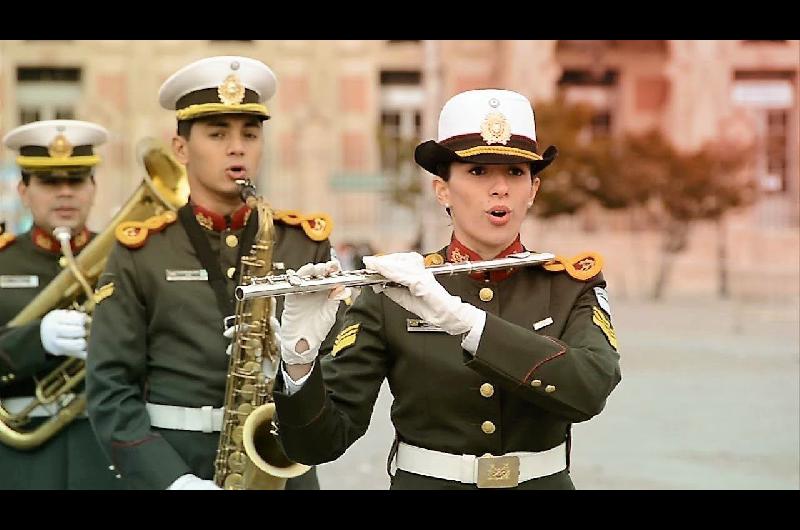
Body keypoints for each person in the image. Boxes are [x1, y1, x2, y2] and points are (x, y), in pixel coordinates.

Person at [272, 89, 622, 490]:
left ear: (533, 190)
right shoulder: (393, 293)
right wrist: (299, 360)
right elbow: (319, 443)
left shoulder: (568, 286)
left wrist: (468, 324)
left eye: (515, 173)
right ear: (442, 190)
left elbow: (591, 387)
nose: (499, 189)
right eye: (478, 172)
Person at [86, 56, 334, 490]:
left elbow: (338, 367)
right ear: (180, 148)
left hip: (280, 463)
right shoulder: (142, 251)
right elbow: (110, 390)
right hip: (174, 463)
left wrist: (296, 361)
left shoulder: (303, 242)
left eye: (250, 134)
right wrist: (173, 481)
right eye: (217, 133)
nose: (237, 147)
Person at [0, 119, 120, 489]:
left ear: (94, 187)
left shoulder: (126, 259)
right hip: (21, 457)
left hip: (106, 450)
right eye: (50, 182)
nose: (65, 193)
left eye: (77, 180)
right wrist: (37, 341)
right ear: (24, 190)